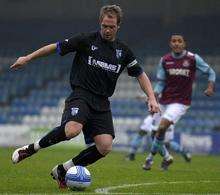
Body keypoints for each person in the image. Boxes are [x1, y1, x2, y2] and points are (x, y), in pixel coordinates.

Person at [10, 5, 159, 188]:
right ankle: (31, 149)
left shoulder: (123, 51)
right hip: (81, 94)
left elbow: (140, 74)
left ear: (118, 26)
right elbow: (55, 47)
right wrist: (28, 58)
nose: (107, 30)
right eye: (104, 25)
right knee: (72, 130)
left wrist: (151, 97)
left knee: (105, 147)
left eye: (111, 27)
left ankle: (62, 170)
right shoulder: (86, 40)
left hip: (102, 102)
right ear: (100, 22)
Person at [142, 34, 216, 171]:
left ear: (184, 44)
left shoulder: (193, 58)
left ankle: (149, 159)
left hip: (180, 102)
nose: (176, 43)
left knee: (162, 127)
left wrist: (210, 87)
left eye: (179, 41)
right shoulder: (165, 60)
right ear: (170, 44)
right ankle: (166, 158)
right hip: (164, 101)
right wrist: (154, 95)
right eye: (173, 41)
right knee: (155, 134)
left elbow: (211, 72)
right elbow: (161, 82)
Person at [125, 112, 191, 162]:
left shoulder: (163, 99)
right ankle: (132, 154)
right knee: (142, 134)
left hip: (162, 119)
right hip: (157, 118)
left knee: (165, 143)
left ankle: (179, 153)